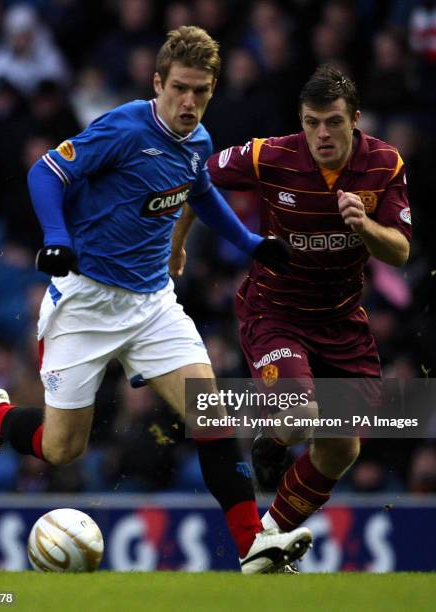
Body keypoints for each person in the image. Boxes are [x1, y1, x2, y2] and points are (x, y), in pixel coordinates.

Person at [0, 26, 311, 574]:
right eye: (180, 88)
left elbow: (201, 189)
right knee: (62, 449)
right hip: (86, 304)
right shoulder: (124, 128)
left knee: (211, 410)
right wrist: (56, 236)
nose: (190, 102)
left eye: (201, 91)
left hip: (152, 304)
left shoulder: (197, 142)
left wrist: (249, 244)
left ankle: (252, 546)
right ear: (158, 84)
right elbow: (45, 171)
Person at [178, 64, 411, 535]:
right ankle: (274, 433)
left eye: (333, 122)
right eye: (311, 122)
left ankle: (269, 540)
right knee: (300, 417)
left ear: (355, 119)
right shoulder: (270, 156)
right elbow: (197, 178)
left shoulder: (385, 164)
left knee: (342, 449)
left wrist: (365, 227)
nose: (321, 134)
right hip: (275, 312)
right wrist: (178, 242)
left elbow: (402, 252)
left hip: (343, 321)